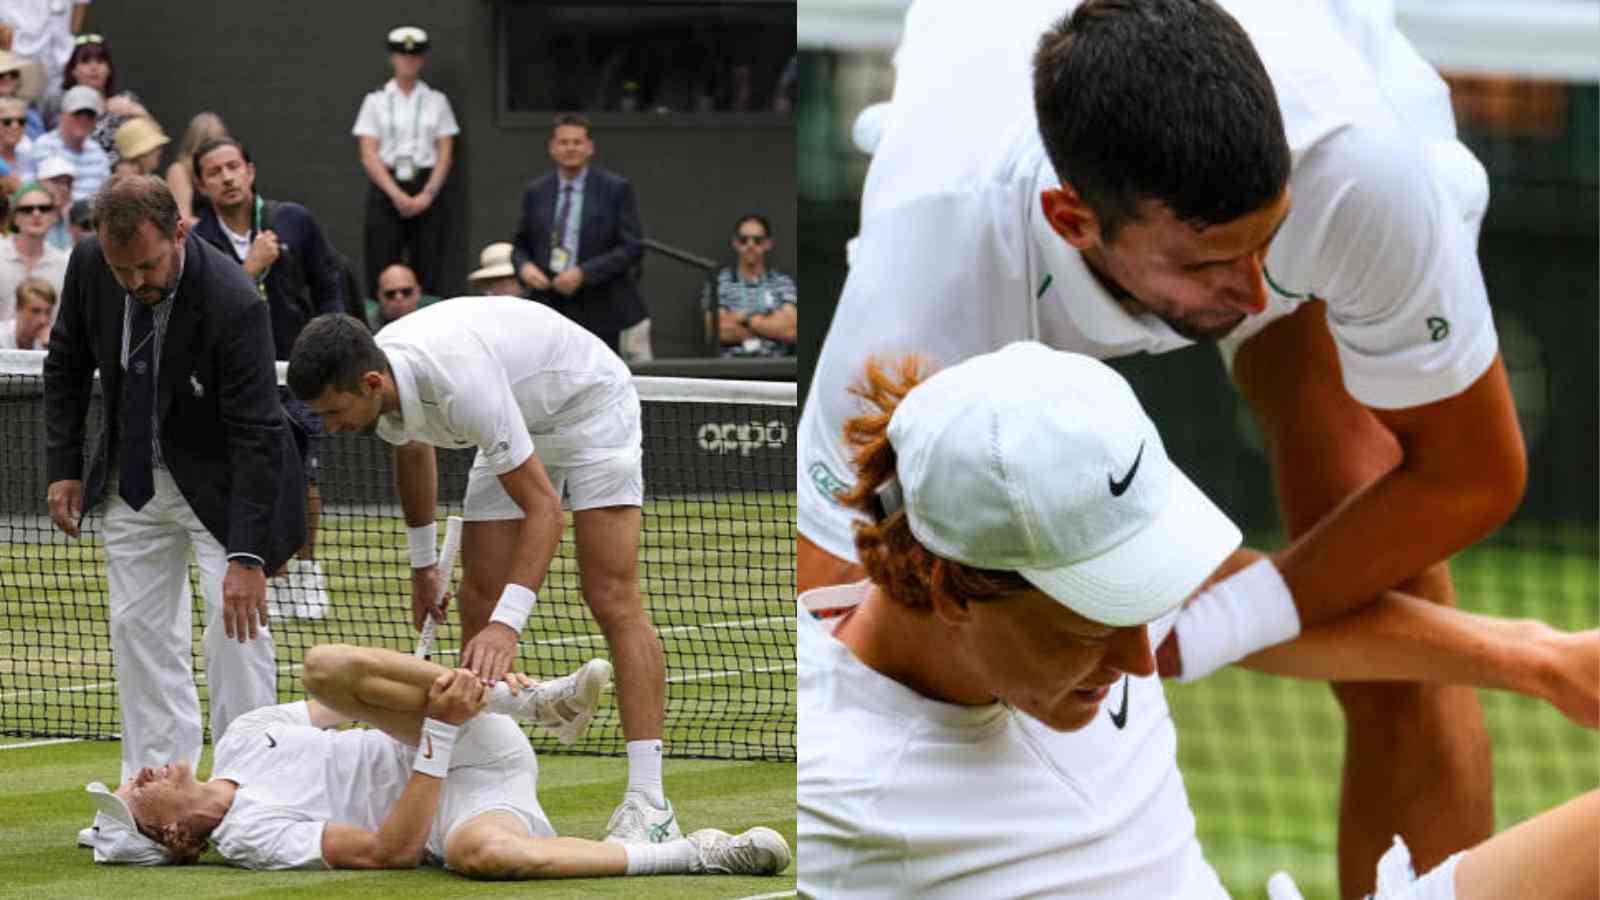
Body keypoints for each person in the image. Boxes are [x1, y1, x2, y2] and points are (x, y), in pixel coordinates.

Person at [796, 2, 1529, 892]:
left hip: (1334, 157)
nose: (1255, 293)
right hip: (978, 212)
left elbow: (1471, 476)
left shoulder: (1354, 172)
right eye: (1205, 263)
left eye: (1267, 242)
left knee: (1403, 655)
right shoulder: (927, 278)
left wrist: (1222, 622)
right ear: (1072, 219)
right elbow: (846, 601)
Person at [798, 342, 1598, 898]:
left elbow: (1248, 610)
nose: (1146, 662)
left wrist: (1540, 658)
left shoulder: (1051, 564)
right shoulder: (832, 786)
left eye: (1145, 602)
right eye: (1093, 626)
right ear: (947, 591)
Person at [286, 300, 678, 845]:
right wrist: (424, 566)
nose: (329, 427)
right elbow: (412, 449)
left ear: (372, 383)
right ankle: (490, 768)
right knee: (477, 595)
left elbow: (546, 512)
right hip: (516, 413)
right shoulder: (382, 384)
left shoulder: (457, 382)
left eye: (333, 412)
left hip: (588, 405)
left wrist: (507, 627)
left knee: (610, 596)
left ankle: (649, 800)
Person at [42, 175, 307, 852]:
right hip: (130, 480)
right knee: (139, 635)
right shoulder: (87, 263)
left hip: (221, 488)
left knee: (237, 637)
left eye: (148, 266)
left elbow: (256, 433)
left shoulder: (234, 301)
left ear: (181, 233)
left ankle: (253, 798)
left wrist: (248, 556)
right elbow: (67, 362)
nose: (133, 281)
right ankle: (149, 798)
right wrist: (64, 466)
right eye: (120, 268)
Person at [82, 642, 791, 878]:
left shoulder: (244, 735)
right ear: (173, 839)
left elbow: (354, 693)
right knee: (481, 856)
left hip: (466, 732)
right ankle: (690, 855)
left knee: (325, 665)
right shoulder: (247, 838)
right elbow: (391, 850)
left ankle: (530, 703)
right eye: (131, 800)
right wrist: (442, 731)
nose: (134, 776)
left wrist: (455, 693)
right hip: (449, 798)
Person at [191, 136, 344, 620]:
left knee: (305, 474)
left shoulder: (294, 220)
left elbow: (328, 284)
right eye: (215, 172)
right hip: (238, 379)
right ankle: (267, 572)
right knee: (249, 477)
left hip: (298, 373)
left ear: (250, 171)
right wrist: (250, 266)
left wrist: (329, 345)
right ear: (201, 184)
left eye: (233, 167)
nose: (227, 177)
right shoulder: (197, 242)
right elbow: (202, 312)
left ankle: (305, 571)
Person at [510, 113, 647, 355]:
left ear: (590, 147)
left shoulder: (615, 189)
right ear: (552, 148)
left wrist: (583, 273)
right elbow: (520, 245)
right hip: (550, 302)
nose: (570, 148)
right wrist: (525, 268)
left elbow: (632, 247)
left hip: (601, 304)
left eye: (577, 142)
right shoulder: (537, 191)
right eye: (564, 142)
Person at [351, 26, 458, 299]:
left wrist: (427, 194)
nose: (408, 61)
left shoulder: (437, 101)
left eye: (415, 56)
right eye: (402, 55)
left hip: (426, 187)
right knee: (381, 259)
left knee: (429, 263)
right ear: (393, 58)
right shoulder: (375, 101)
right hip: (387, 186)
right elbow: (368, 153)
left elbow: (445, 152)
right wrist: (396, 194)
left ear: (422, 60)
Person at [708, 213, 796, 358]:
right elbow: (716, 330)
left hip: (779, 371)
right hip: (731, 370)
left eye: (757, 240)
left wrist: (745, 320)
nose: (750, 245)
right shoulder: (719, 281)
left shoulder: (783, 282)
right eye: (744, 240)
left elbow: (790, 330)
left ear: (768, 244)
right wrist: (767, 329)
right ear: (735, 243)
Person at [22, 84, 109, 200]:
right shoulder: (43, 146)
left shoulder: (98, 153)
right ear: (63, 115)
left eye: (90, 115)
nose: (84, 119)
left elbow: (105, 193)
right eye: (78, 113)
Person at [0, 181, 67, 319]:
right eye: (27, 209)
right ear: (15, 217)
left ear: (54, 216)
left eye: (44, 208)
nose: (36, 214)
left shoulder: (64, 264)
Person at [165, 111, 227, 229]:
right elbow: (182, 219)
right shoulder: (180, 171)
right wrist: (223, 230)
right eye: (210, 143)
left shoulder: (223, 171)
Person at [365, 261, 440, 332]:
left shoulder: (435, 319)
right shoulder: (368, 328)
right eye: (390, 294)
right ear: (379, 296)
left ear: (418, 292)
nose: (399, 298)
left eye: (406, 292)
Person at [0, 275, 55, 348]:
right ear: (18, 308)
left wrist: (52, 351)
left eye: (48, 312)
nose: (43, 320)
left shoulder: (50, 343)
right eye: (35, 311)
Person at [35, 153, 75, 250]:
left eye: (68, 183)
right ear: (40, 183)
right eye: (56, 181)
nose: (64, 188)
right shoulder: (26, 213)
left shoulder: (74, 218)